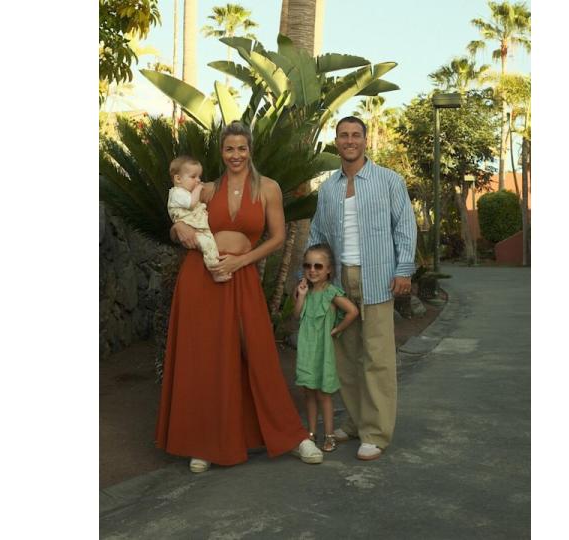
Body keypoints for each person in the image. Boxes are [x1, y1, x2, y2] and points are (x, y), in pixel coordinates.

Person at [157, 121, 324, 473]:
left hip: (241, 276)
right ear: (222, 152)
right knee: (203, 357)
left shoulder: (268, 188)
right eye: (229, 149)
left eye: (241, 148)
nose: (236, 155)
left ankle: (293, 436)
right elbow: (178, 217)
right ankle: (202, 442)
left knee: (259, 351)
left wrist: (241, 261)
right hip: (201, 279)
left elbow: (276, 237)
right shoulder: (206, 188)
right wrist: (178, 228)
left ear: (250, 150)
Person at [303, 116, 417, 461]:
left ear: (366, 141)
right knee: (346, 358)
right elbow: (317, 235)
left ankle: (376, 432)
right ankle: (354, 423)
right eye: (343, 136)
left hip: (378, 277)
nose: (349, 140)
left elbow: (405, 228)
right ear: (335, 142)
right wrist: (308, 277)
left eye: (355, 135)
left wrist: (404, 270)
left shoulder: (389, 181)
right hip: (338, 282)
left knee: (377, 357)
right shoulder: (327, 188)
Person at [293, 243, 359, 452]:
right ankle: (311, 433)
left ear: (329, 269)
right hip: (306, 349)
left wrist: (336, 329)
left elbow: (352, 311)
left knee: (324, 394)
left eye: (318, 266)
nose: (312, 270)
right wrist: (301, 296)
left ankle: (329, 434)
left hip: (323, 351)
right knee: (308, 392)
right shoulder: (305, 291)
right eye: (308, 265)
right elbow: (297, 315)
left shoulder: (332, 293)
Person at [166, 155, 229, 282]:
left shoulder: (185, 193)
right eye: (193, 177)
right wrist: (199, 188)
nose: (198, 180)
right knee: (208, 245)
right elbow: (191, 203)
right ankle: (215, 270)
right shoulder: (177, 193)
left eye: (199, 177)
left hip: (198, 227)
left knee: (209, 244)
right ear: (178, 178)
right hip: (194, 229)